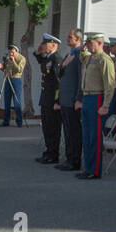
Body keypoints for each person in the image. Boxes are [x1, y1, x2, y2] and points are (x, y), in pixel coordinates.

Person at [75, 33, 115, 178]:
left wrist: (105, 105)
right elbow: (82, 55)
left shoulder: (104, 60)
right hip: (87, 97)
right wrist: (83, 49)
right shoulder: (89, 57)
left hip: (97, 97)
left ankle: (95, 170)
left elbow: (110, 84)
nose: (87, 45)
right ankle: (87, 167)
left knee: (95, 137)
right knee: (86, 135)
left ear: (99, 43)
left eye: (90, 42)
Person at [54, 29, 83, 171]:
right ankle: (68, 158)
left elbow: (80, 79)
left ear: (78, 39)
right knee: (67, 131)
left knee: (74, 131)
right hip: (65, 99)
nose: (67, 38)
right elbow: (59, 74)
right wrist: (64, 65)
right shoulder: (69, 54)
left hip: (72, 100)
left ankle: (74, 160)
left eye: (70, 37)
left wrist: (78, 98)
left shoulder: (79, 54)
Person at [33, 34, 63, 164]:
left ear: (53, 45)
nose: (43, 46)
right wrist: (37, 52)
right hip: (45, 98)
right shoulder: (49, 58)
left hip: (52, 99)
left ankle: (53, 154)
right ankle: (48, 151)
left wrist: (57, 101)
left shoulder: (57, 59)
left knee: (53, 128)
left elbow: (58, 82)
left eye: (46, 44)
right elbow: (42, 62)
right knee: (46, 127)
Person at [0, 44, 25, 127]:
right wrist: (2, 68)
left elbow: (19, 70)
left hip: (16, 80)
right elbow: (6, 70)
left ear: (16, 51)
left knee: (17, 101)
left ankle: (19, 122)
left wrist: (13, 61)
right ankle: (6, 121)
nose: (10, 52)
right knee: (7, 101)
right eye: (9, 50)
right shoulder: (8, 58)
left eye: (12, 50)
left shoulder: (21, 58)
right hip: (7, 79)